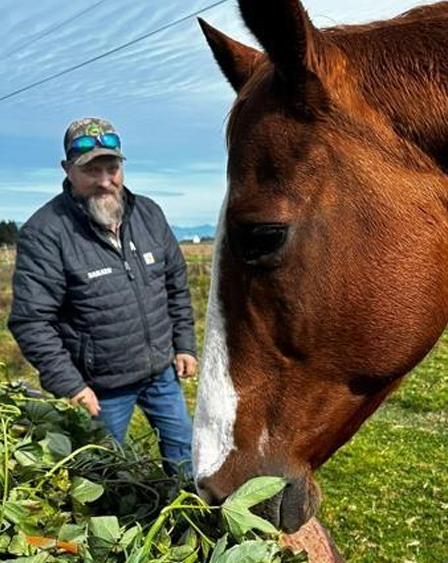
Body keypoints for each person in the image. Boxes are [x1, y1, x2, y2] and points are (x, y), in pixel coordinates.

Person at [8, 117, 197, 477]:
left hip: (161, 373)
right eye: (92, 170)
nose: (105, 181)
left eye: (112, 167)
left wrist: (185, 344)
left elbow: (175, 282)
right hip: (101, 388)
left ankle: (186, 519)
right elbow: (31, 321)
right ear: (67, 169)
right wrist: (71, 385)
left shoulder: (148, 214)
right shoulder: (46, 232)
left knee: (184, 457)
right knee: (103, 475)